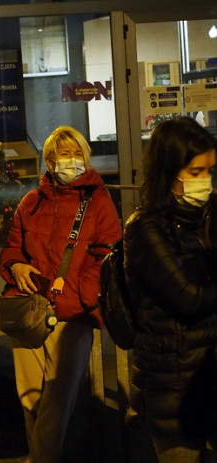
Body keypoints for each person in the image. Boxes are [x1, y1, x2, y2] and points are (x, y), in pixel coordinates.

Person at [0, 126, 121, 463]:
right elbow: (10, 249)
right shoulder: (31, 202)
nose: (71, 160)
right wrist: (17, 268)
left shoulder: (98, 200)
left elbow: (109, 255)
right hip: (29, 310)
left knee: (57, 401)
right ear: (49, 161)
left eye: (77, 152)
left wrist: (80, 293)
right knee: (30, 400)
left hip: (72, 317)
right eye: (63, 154)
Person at [124, 117, 217, 462]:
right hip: (174, 389)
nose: (205, 181)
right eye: (195, 173)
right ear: (168, 172)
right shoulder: (146, 230)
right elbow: (190, 297)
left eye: (209, 171)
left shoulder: (208, 216)